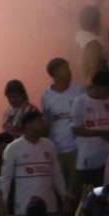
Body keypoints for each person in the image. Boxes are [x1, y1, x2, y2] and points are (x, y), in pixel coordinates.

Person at [0, 110, 69, 216]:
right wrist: (2, 204)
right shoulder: (13, 148)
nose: (43, 124)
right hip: (24, 209)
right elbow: (6, 179)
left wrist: (64, 196)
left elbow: (57, 174)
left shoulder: (49, 145)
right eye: (39, 121)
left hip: (49, 207)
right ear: (28, 125)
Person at [41, 57, 84, 200]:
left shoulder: (79, 91)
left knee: (76, 189)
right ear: (55, 74)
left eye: (68, 67)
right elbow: (46, 121)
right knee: (61, 191)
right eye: (64, 69)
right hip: (56, 149)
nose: (69, 72)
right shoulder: (46, 96)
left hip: (76, 148)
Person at [71, 71, 109, 190]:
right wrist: (101, 133)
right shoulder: (80, 102)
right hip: (89, 159)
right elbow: (76, 130)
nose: (108, 93)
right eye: (106, 89)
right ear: (97, 87)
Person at [75, 4, 108, 85]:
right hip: (97, 88)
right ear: (95, 22)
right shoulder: (93, 43)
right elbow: (94, 70)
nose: (101, 24)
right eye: (99, 20)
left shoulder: (82, 40)